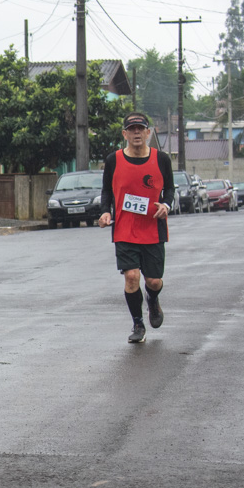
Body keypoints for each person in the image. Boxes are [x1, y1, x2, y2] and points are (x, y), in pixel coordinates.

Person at [98, 112, 175, 344]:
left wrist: (166, 205)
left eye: (141, 129)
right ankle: (138, 324)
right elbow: (106, 191)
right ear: (125, 134)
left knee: (153, 281)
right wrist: (105, 211)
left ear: (148, 132)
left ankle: (152, 299)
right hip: (124, 229)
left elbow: (170, 189)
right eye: (132, 129)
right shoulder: (114, 160)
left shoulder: (162, 160)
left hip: (153, 228)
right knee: (131, 277)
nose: (137, 133)